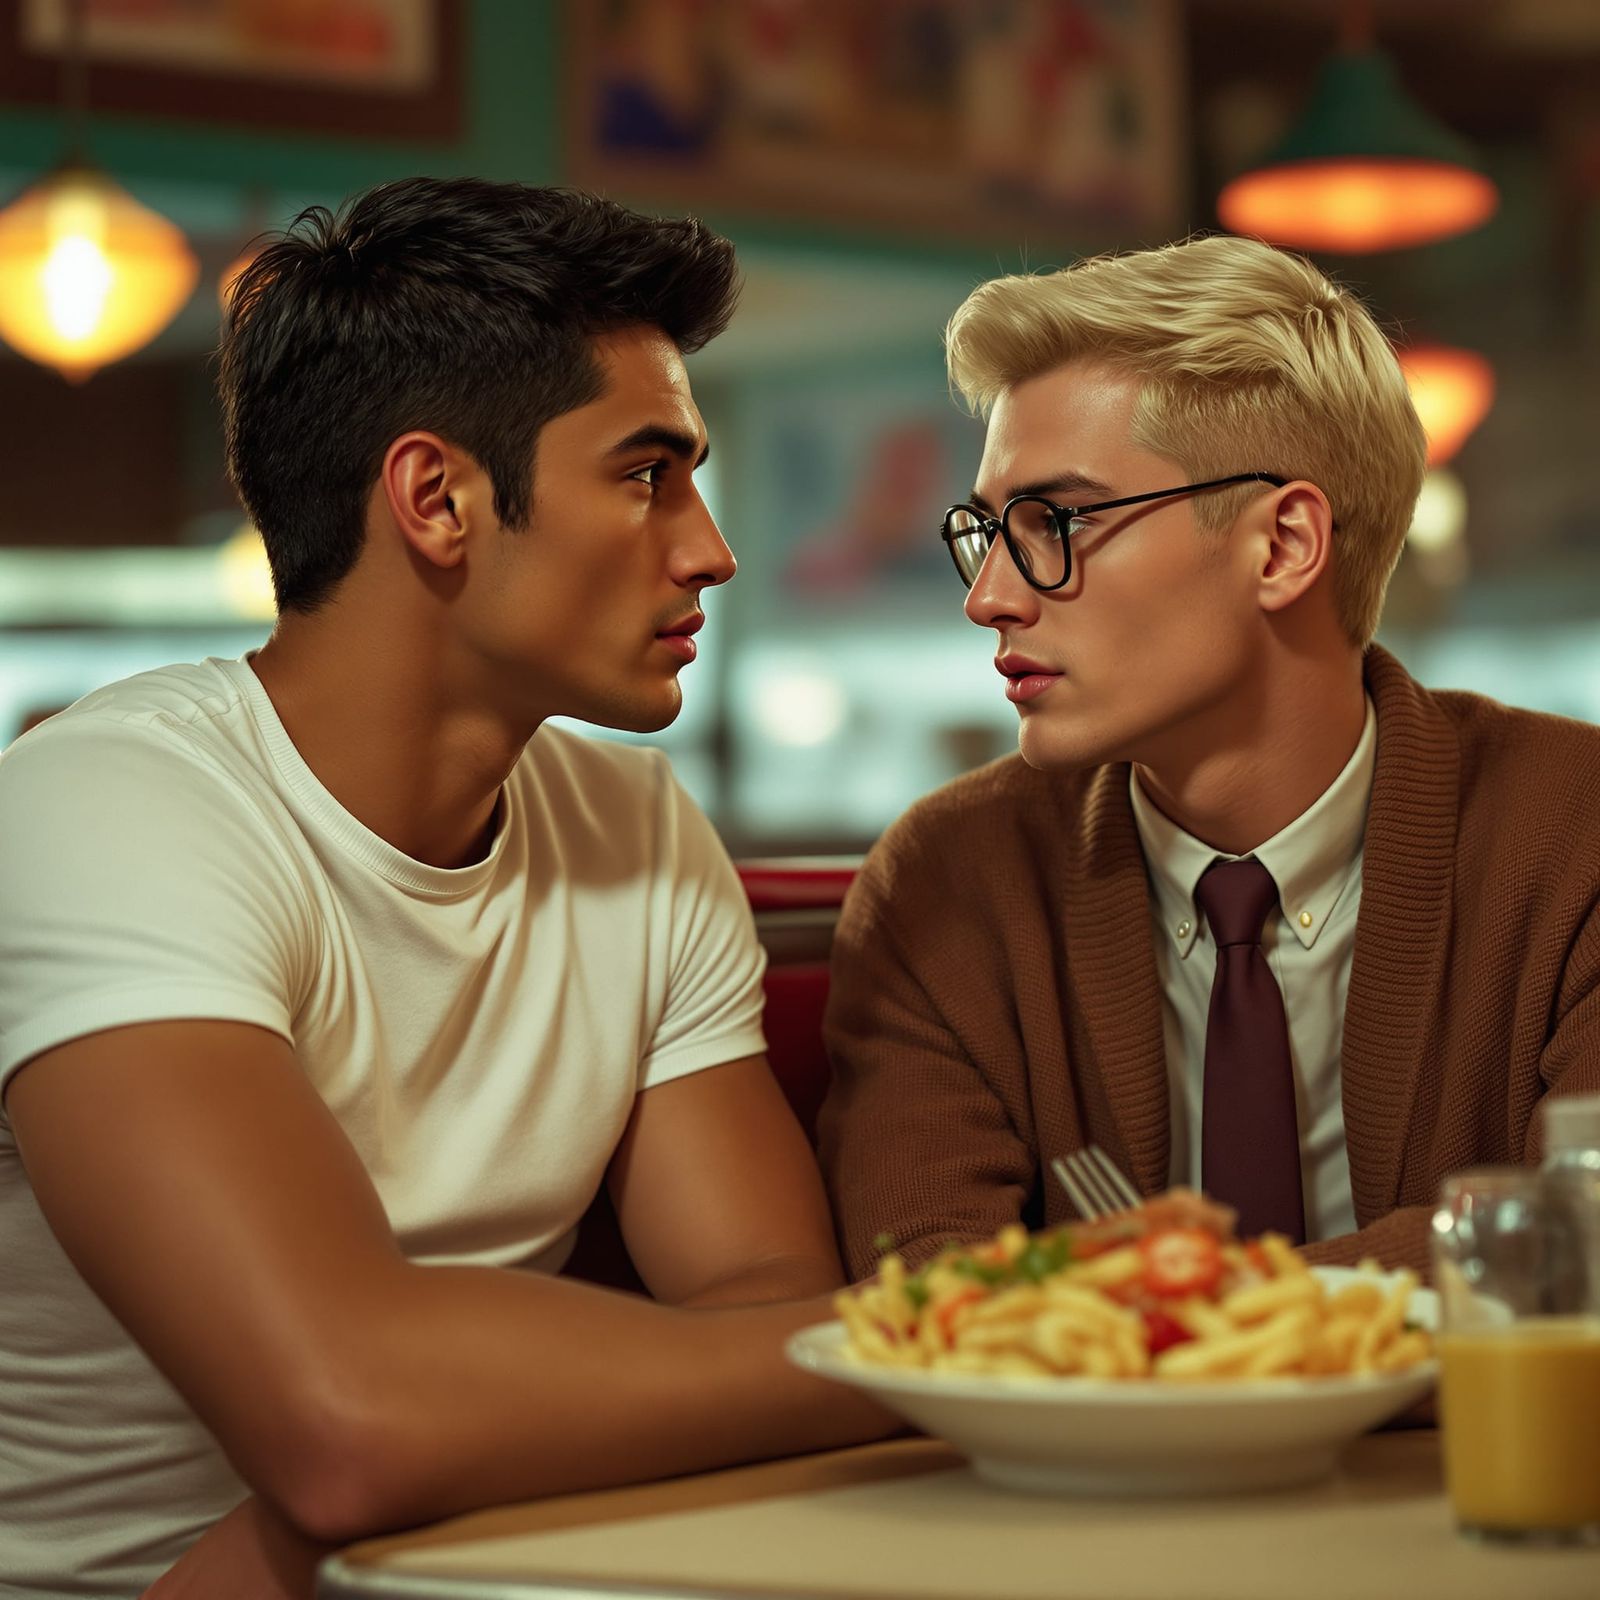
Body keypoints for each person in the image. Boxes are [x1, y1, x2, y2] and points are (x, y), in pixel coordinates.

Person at [0, 177, 885, 1600]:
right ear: (438, 500)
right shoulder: (108, 808)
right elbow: (348, 1420)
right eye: (648, 472)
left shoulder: (639, 830)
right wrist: (948, 1342)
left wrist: (406, 1460)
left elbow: (766, 1315)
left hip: (485, 1553)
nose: (710, 547)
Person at [818, 233, 1600, 1281]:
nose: (988, 595)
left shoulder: (1575, 831)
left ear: (1280, 547)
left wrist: (1183, 1298)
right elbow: (928, 1287)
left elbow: (1584, 1236)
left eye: (1052, 520)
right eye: (987, 528)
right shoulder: (945, 880)